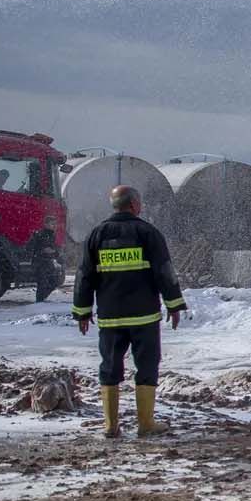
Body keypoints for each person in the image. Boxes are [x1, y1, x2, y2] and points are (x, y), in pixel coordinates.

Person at [72, 186, 187, 438]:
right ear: (135, 204)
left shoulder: (97, 234)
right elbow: (164, 271)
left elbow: (84, 276)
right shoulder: (147, 232)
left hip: (110, 317)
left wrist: (82, 311)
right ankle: (145, 423)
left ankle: (110, 426)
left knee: (109, 366)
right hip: (144, 316)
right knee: (146, 365)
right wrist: (174, 304)